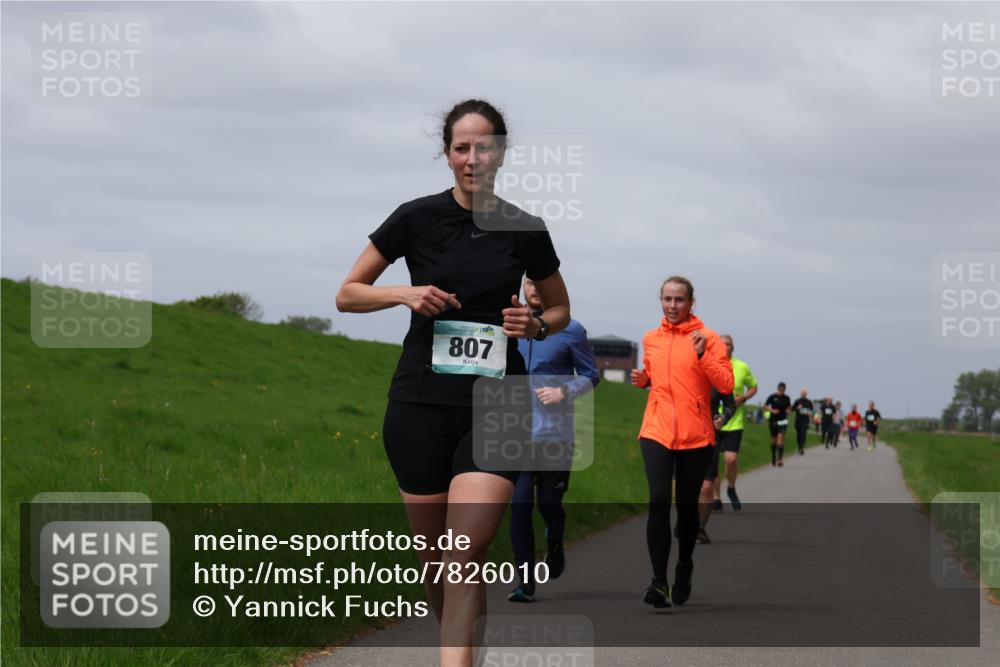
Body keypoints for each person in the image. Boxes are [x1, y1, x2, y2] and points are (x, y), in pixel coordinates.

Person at [336, 99, 570, 666]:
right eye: (462, 148)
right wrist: (405, 293)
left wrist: (534, 322)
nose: (473, 158)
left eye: (484, 147)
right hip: (419, 402)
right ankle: (468, 654)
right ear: (446, 154)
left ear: (501, 153)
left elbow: (559, 309)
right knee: (436, 563)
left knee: (465, 552)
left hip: (498, 403)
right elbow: (347, 295)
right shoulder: (414, 218)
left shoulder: (525, 228)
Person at [631, 276, 734, 608]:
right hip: (656, 430)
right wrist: (643, 379)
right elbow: (653, 375)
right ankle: (658, 582)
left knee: (686, 507)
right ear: (660, 300)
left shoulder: (709, 338)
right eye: (667, 299)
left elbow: (727, 383)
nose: (672, 306)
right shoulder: (651, 338)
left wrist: (702, 354)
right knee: (659, 500)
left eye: (679, 300)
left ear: (691, 303)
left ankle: (684, 566)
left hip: (696, 434)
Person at [508, 278, 600, 603]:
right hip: (515, 436)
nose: (534, 288)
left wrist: (564, 391)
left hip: (554, 436)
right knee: (518, 507)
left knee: (549, 505)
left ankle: (556, 537)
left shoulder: (571, 330)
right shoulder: (508, 325)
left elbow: (591, 375)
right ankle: (525, 581)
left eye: (539, 282)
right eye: (528, 282)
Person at [711, 335, 758, 511]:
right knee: (713, 462)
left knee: (731, 459)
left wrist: (744, 397)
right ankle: (716, 498)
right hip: (713, 421)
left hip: (734, 421)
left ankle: (731, 488)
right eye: (721, 344)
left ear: (733, 347)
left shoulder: (741, 367)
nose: (725, 347)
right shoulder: (710, 366)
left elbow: (753, 386)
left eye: (728, 344)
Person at [697, 388, 737, 544]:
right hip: (683, 438)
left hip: (709, 437)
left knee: (706, 486)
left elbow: (730, 404)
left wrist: (723, 417)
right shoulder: (683, 369)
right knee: (683, 488)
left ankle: (700, 527)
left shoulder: (716, 374)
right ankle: (685, 520)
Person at [764, 382, 792, 467]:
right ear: (778, 389)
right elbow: (765, 406)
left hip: (783, 420)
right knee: (774, 440)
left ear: (785, 389)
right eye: (780, 389)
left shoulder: (787, 398)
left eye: (783, 389)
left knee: (780, 439)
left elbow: (788, 407)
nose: (781, 391)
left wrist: (788, 411)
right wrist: (772, 410)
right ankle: (773, 457)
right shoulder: (772, 397)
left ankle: (780, 459)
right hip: (773, 420)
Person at [790, 389, 814, 456]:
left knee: (803, 433)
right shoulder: (797, 401)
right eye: (802, 393)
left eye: (805, 393)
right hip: (798, 419)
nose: (803, 394)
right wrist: (797, 407)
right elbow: (792, 409)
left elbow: (812, 410)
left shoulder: (809, 402)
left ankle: (802, 448)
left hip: (805, 420)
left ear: (806, 394)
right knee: (799, 434)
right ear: (800, 394)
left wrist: (810, 413)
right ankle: (799, 446)